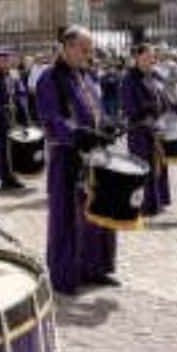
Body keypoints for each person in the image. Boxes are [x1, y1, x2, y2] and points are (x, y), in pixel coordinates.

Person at [35, 26, 119, 293]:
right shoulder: (50, 79)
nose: (88, 54)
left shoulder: (88, 77)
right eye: (84, 49)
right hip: (67, 156)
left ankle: (94, 268)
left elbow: (97, 110)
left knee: (97, 213)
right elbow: (51, 120)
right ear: (67, 47)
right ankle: (64, 275)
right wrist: (77, 134)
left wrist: (107, 126)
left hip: (94, 155)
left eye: (90, 49)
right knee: (67, 217)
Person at [121, 43, 171, 216]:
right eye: (148, 56)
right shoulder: (129, 79)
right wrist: (149, 113)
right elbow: (130, 107)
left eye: (153, 56)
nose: (152, 59)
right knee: (142, 166)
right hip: (139, 130)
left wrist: (166, 109)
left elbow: (162, 97)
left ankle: (157, 201)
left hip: (156, 128)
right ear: (137, 57)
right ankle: (143, 204)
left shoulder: (154, 76)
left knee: (158, 166)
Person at [0, 49, 24, 189]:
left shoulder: (14, 77)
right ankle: (4, 178)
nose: (4, 63)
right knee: (3, 150)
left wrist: (23, 114)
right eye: (2, 60)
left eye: (7, 60)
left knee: (15, 149)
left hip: (15, 118)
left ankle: (13, 177)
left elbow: (21, 94)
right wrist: (4, 116)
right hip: (2, 120)